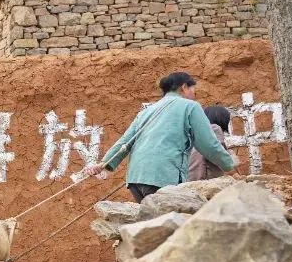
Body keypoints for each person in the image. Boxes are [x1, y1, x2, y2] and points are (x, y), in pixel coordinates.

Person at [85, 72, 237, 202]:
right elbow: (208, 144)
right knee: (170, 226)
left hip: (136, 179)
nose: (193, 94)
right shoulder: (190, 106)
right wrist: (229, 165)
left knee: (154, 227)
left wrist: (104, 163)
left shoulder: (147, 111)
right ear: (184, 87)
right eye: (193, 90)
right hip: (163, 177)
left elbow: (125, 141)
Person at [189, 106, 232, 182]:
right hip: (204, 178)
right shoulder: (214, 128)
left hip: (190, 179)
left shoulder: (194, 131)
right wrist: (231, 164)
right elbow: (218, 153)